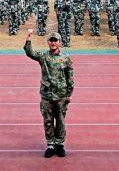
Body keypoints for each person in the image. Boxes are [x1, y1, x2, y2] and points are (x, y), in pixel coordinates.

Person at [24, 29, 74, 158]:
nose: (53, 43)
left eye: (55, 40)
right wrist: (28, 37)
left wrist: (69, 94)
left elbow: (70, 77)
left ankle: (59, 144)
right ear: (48, 42)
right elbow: (30, 53)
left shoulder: (65, 58)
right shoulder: (43, 56)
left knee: (61, 121)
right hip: (47, 95)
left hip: (61, 95)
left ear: (59, 43)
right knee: (48, 121)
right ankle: (51, 145)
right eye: (51, 41)